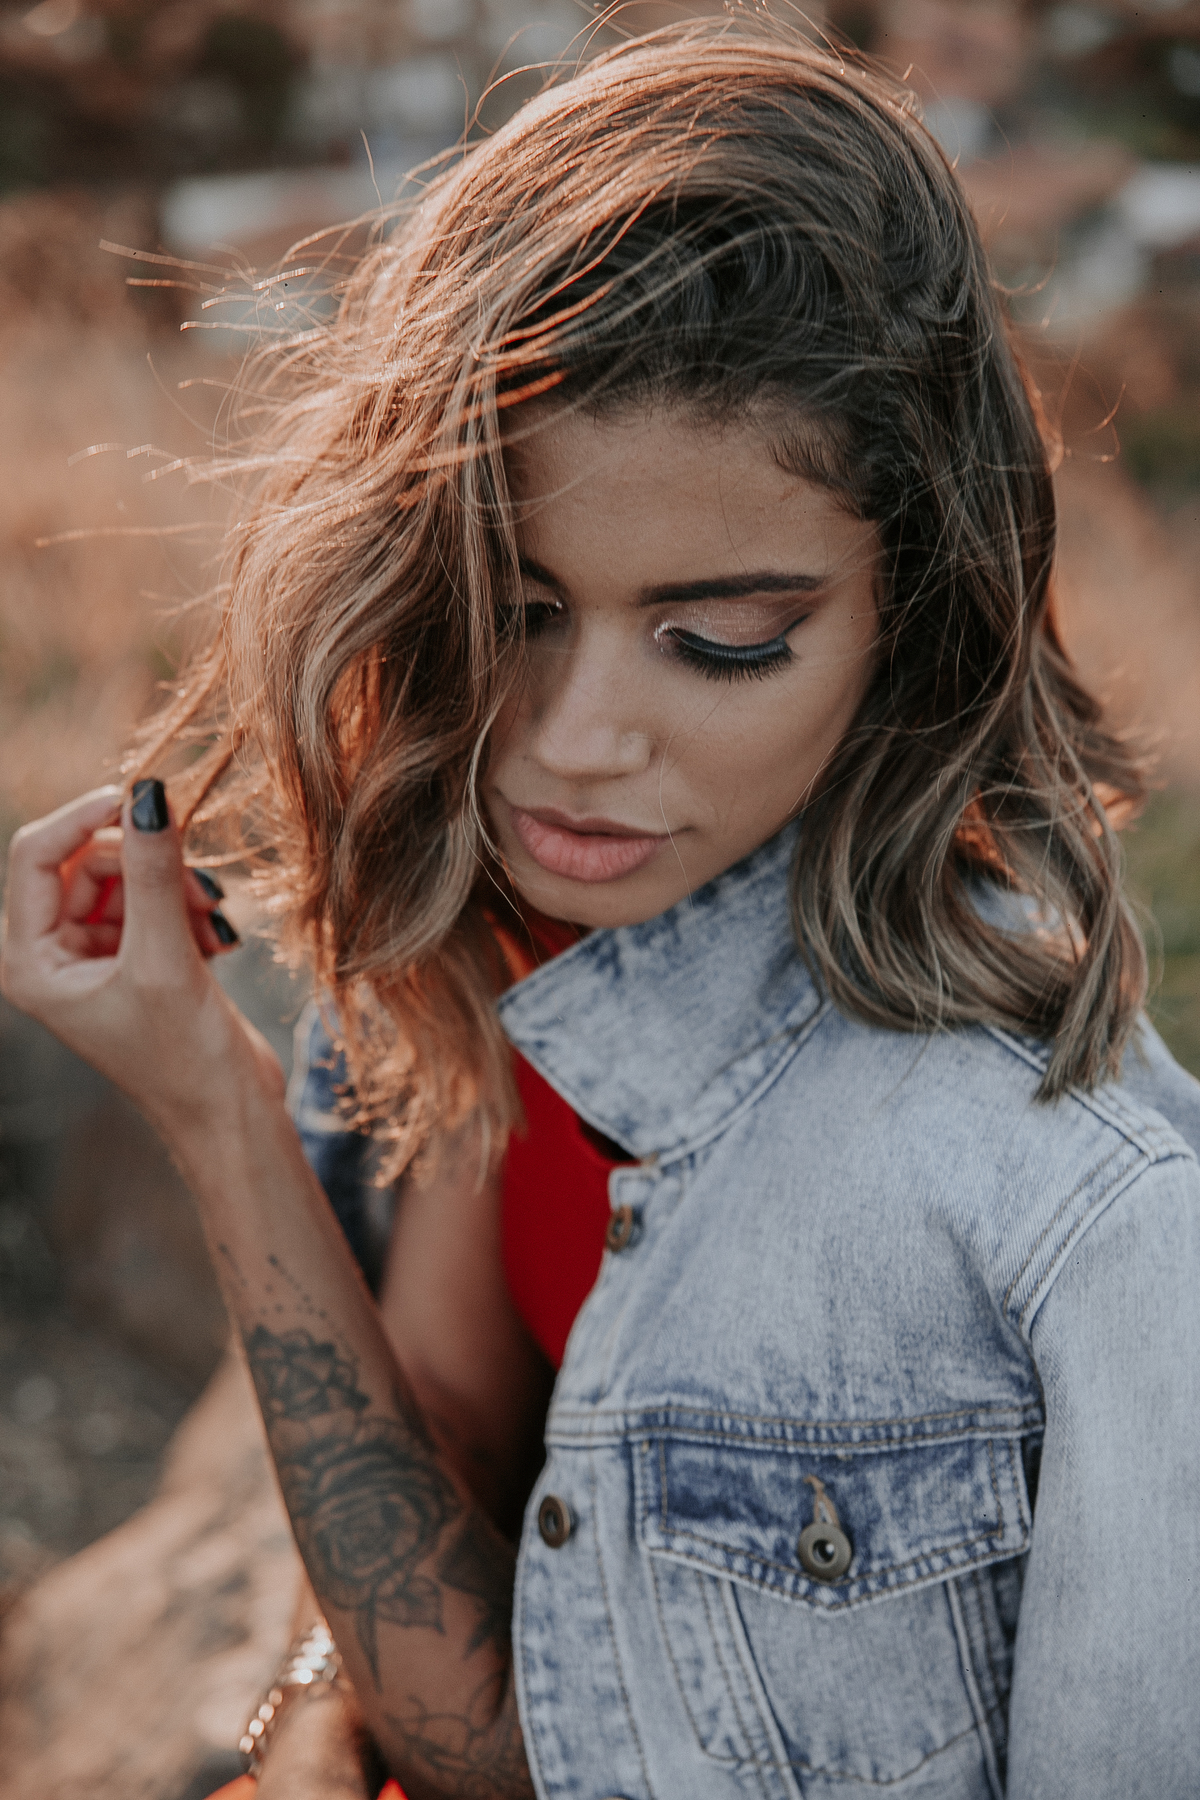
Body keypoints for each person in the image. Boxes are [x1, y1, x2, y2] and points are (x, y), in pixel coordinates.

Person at [3, 20, 1198, 1800]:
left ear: (914, 628)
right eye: (520, 603)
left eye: (721, 640)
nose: (568, 750)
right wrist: (211, 1095)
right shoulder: (520, 940)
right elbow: (477, 1675)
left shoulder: (1083, 1222)